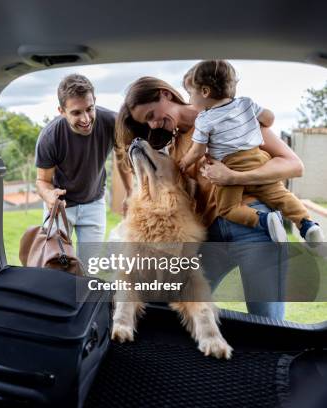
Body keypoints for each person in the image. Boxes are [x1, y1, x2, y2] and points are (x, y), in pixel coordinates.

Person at [115, 76, 303, 320]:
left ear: (165, 94)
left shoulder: (230, 114)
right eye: (146, 122)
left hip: (255, 226)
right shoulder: (174, 146)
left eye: (151, 114)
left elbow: (293, 165)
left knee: (267, 321)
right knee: (173, 304)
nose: (153, 125)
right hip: (211, 236)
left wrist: (233, 177)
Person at [178, 60, 324, 243]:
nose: (190, 100)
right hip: (258, 159)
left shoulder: (204, 120)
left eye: (190, 93)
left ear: (205, 92)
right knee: (281, 196)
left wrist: (183, 162)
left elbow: (197, 152)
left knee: (228, 209)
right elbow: (269, 118)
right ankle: (306, 224)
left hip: (230, 165)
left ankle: (263, 220)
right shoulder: (246, 103)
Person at [35, 74, 133, 244]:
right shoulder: (49, 136)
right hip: (61, 207)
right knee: (56, 266)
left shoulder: (113, 122)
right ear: (62, 112)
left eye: (89, 108)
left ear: (94, 100)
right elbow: (42, 181)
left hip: (94, 204)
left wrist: (130, 192)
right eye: (76, 112)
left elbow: (121, 157)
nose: (86, 119)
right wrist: (49, 196)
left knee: (89, 269)